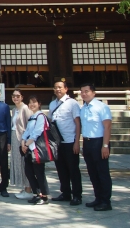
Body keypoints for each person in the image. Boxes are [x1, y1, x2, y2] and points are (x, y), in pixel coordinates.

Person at [79, 83, 113, 211]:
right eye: (82, 91)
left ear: (93, 92)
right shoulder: (83, 109)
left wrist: (105, 145)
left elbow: (107, 127)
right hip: (88, 142)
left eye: (86, 91)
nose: (83, 94)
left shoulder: (101, 107)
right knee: (92, 173)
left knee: (102, 172)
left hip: (99, 142)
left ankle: (106, 201)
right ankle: (98, 198)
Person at [48, 81, 83, 206]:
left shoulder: (72, 103)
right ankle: (65, 193)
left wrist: (77, 142)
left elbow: (78, 123)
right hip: (58, 142)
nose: (58, 89)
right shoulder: (52, 104)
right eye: (56, 87)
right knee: (61, 169)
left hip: (70, 141)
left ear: (66, 89)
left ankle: (77, 195)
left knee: (73, 169)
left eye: (60, 87)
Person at [21, 95, 50, 205]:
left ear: (39, 104)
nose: (32, 104)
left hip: (36, 148)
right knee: (29, 172)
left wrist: (26, 144)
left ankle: (44, 195)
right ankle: (37, 193)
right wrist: (23, 142)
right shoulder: (32, 117)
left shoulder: (41, 116)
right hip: (29, 148)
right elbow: (27, 131)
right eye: (30, 102)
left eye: (34, 102)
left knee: (39, 172)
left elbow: (37, 132)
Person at [10, 89, 33, 199]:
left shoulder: (25, 109)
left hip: (23, 139)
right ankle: (25, 187)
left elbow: (30, 125)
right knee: (18, 163)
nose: (15, 98)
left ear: (22, 97)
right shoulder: (15, 110)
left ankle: (29, 189)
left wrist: (25, 142)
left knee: (25, 164)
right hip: (15, 138)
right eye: (14, 96)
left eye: (18, 96)